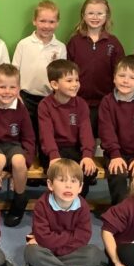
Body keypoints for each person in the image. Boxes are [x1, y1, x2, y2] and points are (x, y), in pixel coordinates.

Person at [23, 159, 110, 266]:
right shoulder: (41, 204)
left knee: (95, 255)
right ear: (50, 184)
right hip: (46, 249)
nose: (68, 185)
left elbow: (83, 238)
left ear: (80, 187)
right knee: (31, 252)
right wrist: (69, 237)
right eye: (62, 180)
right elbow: (43, 237)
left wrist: (56, 251)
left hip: (61, 250)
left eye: (73, 181)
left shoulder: (83, 206)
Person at [98, 55, 134, 205]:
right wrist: (115, 155)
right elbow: (106, 132)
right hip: (115, 153)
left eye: (132, 77)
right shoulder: (107, 102)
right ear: (114, 78)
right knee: (118, 173)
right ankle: (121, 211)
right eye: (121, 75)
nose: (125, 80)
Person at [0, 64, 35, 227]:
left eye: (12, 87)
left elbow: (29, 138)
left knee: (19, 161)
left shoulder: (20, 108)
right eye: (2, 86)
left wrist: (27, 160)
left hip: (13, 145)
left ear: (18, 88)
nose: (7, 91)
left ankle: (19, 201)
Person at [66, 0, 125, 136]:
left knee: (104, 138)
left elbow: (120, 73)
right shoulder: (75, 42)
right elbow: (67, 72)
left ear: (107, 16)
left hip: (105, 102)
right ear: (83, 16)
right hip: (77, 101)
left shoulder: (114, 43)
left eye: (100, 13)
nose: (95, 17)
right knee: (80, 137)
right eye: (91, 13)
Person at [37, 59, 98, 196]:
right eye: (69, 81)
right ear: (54, 84)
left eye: (77, 80)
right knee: (59, 172)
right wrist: (53, 155)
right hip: (53, 150)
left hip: (74, 149)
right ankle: (57, 202)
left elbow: (86, 132)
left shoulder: (81, 104)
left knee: (88, 170)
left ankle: (79, 202)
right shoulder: (45, 105)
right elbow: (46, 135)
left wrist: (87, 155)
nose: (75, 84)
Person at [12, 0, 66, 140]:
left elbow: (61, 76)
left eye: (51, 22)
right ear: (34, 21)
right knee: (27, 134)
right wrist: (16, 93)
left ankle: (45, 159)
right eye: (42, 21)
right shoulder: (24, 44)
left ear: (57, 23)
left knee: (46, 134)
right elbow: (14, 71)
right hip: (26, 97)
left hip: (49, 98)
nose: (47, 26)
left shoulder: (60, 47)